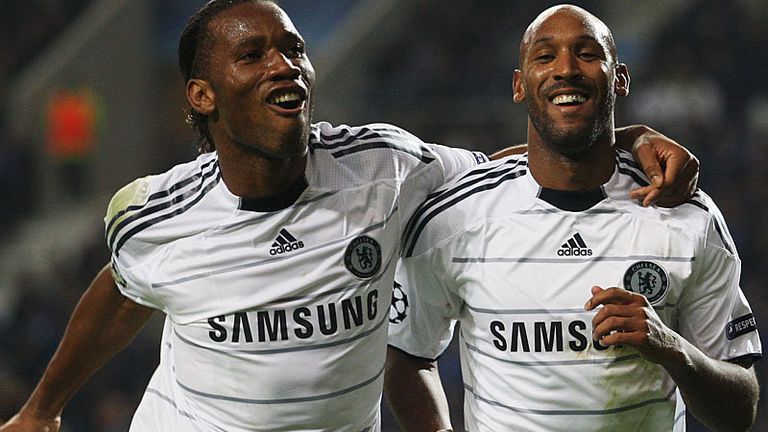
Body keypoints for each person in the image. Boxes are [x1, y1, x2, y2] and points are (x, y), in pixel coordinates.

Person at [0, 1, 697, 431]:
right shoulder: (160, 215)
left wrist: (625, 139)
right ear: (203, 96)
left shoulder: (385, 167)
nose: (285, 66)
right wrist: (43, 407)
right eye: (254, 55)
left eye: (294, 49)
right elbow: (122, 290)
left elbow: (510, 167)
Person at [385, 4, 760, 432]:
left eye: (586, 53)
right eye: (546, 56)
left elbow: (740, 410)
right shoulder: (455, 216)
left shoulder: (687, 215)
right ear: (519, 85)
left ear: (619, 79)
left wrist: (674, 350)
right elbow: (407, 356)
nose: (565, 69)